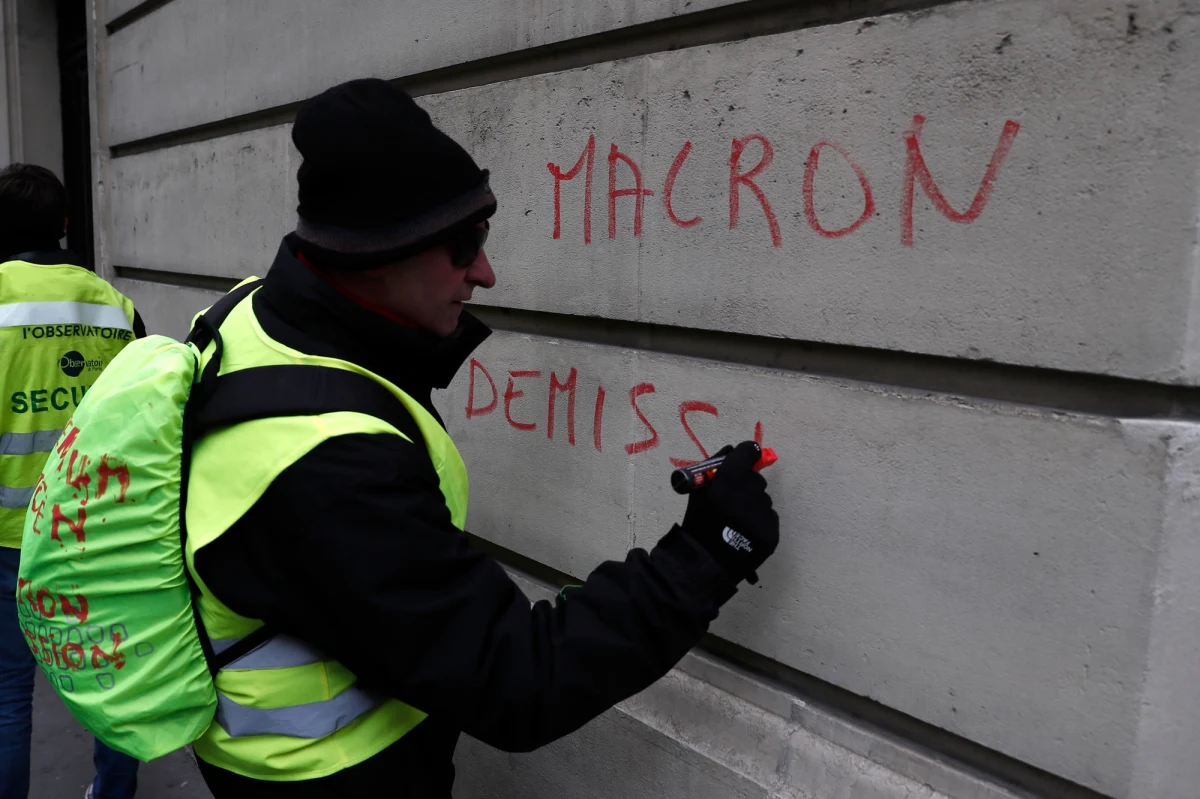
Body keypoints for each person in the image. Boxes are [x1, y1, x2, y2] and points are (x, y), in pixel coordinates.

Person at [186, 78, 781, 798]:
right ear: (376, 252)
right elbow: (516, 679)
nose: (487, 271)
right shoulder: (328, 465)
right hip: (332, 778)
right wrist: (705, 555)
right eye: (462, 245)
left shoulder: (252, 315)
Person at [0, 164, 146, 798]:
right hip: (95, 530)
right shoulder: (115, 306)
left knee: (8, 695)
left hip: (9, 537)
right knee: (113, 684)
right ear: (64, 224)